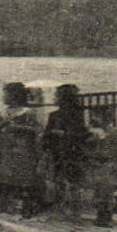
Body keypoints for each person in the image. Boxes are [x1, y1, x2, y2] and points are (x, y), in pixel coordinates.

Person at [0, 81, 44, 218]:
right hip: (3, 147)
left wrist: (20, 128)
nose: (4, 97)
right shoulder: (3, 112)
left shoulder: (28, 112)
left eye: (6, 94)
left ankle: (26, 206)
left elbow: (38, 130)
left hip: (21, 148)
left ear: (15, 96)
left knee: (23, 177)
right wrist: (0, 124)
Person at [43, 83, 90, 216]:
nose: (55, 98)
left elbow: (81, 134)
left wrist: (64, 134)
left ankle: (74, 208)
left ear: (65, 98)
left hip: (73, 151)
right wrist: (47, 141)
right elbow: (47, 133)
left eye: (57, 95)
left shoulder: (77, 115)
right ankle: (60, 205)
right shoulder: (53, 115)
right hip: (57, 150)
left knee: (73, 179)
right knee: (58, 178)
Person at [80, 111, 117, 228]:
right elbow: (87, 148)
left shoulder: (115, 133)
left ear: (107, 120)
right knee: (99, 192)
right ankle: (101, 216)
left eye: (98, 118)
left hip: (109, 166)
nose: (95, 120)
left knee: (107, 192)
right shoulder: (94, 134)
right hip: (98, 166)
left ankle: (106, 218)